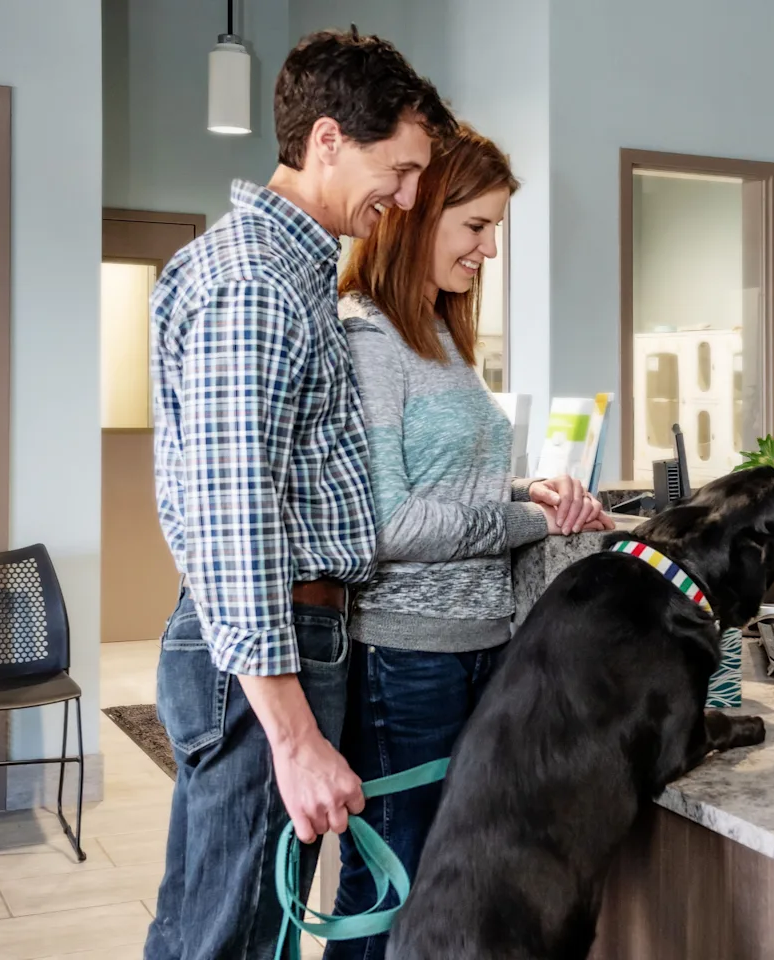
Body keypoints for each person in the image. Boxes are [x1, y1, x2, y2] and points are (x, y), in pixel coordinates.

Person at [144, 29, 456, 960]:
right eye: (398, 171)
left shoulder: (289, 273)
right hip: (265, 646)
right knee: (227, 939)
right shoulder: (257, 283)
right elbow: (236, 519)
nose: (405, 199)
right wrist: (293, 736)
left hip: (280, 637)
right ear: (329, 140)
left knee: (235, 924)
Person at [330, 124, 610, 960]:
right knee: (389, 886)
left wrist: (525, 485)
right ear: (417, 217)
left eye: (495, 230)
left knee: (452, 893)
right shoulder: (368, 339)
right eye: (476, 226)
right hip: (404, 660)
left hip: (479, 647)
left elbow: (445, 479)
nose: (489, 250)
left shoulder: (443, 336)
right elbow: (389, 523)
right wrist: (530, 517)